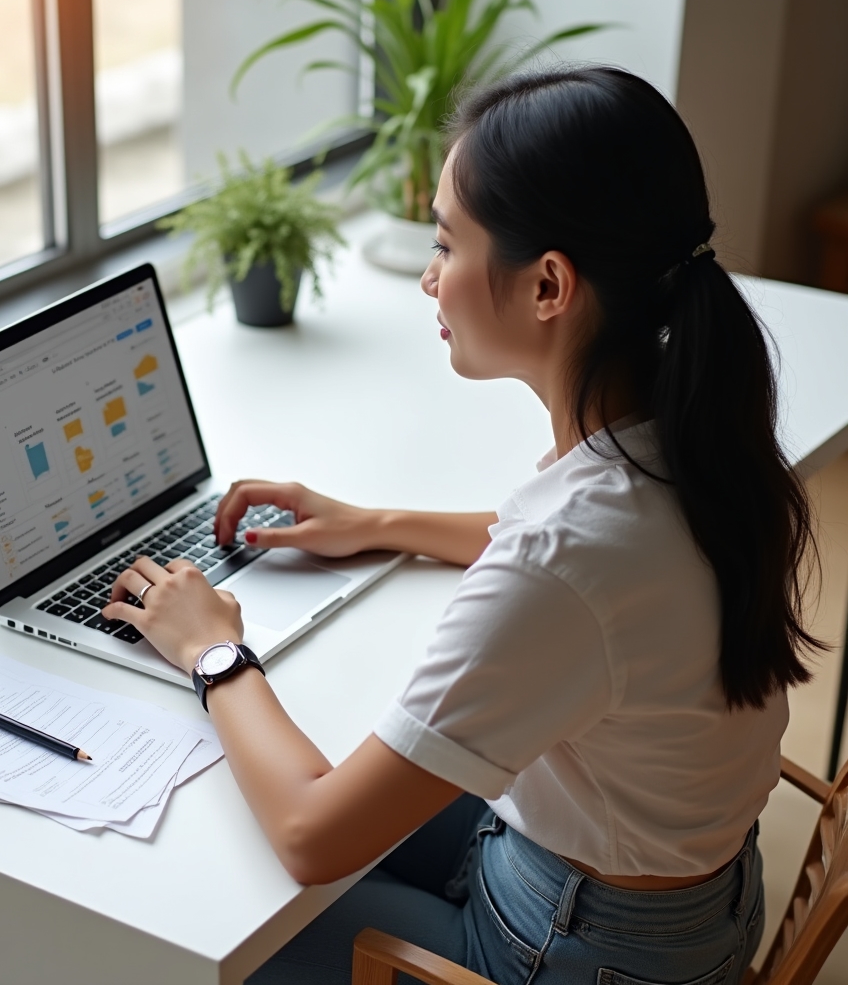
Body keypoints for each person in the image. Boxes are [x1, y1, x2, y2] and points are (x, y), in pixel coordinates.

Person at [103, 67, 822, 985]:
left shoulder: (569, 554)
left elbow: (311, 836)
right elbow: (596, 584)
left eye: (447, 245)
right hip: (679, 906)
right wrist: (375, 522)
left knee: (213, 915)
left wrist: (213, 652)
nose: (430, 279)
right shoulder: (693, 440)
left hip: (574, 948)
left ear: (549, 286)